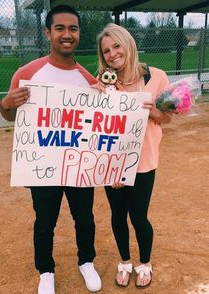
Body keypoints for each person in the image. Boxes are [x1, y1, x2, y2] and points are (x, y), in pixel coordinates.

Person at [0, 5, 102, 294]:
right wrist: (8, 103)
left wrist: (106, 103)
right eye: (60, 28)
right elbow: (9, 115)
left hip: (78, 163)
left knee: (85, 217)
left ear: (79, 34)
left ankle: (87, 261)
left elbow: (98, 125)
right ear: (48, 33)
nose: (67, 34)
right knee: (45, 221)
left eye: (73, 28)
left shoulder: (89, 80)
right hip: (43, 163)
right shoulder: (28, 72)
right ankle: (45, 270)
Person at [96, 23, 171, 289]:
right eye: (106, 50)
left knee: (138, 216)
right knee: (118, 215)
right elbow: (98, 129)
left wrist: (153, 111)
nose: (112, 54)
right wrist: (113, 167)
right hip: (112, 164)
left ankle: (145, 264)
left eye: (116, 46)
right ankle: (125, 262)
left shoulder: (157, 77)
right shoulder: (103, 84)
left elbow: (166, 118)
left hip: (144, 162)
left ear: (128, 44)